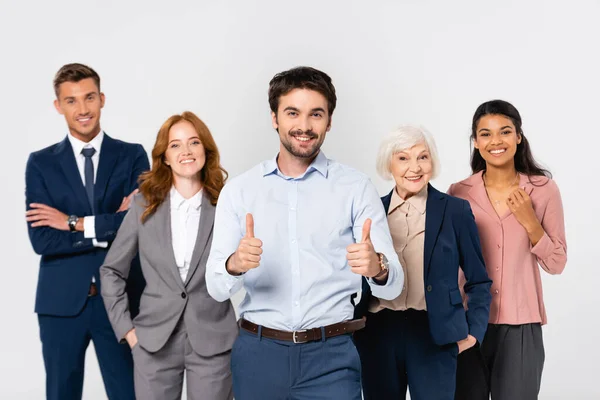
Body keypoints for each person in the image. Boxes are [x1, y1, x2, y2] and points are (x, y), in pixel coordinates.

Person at [206, 66, 403, 400]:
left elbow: (396, 282)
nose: (305, 126)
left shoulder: (355, 188)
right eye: (292, 113)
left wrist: (377, 266)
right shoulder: (240, 191)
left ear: (329, 121)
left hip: (332, 358)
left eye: (316, 114)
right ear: (274, 118)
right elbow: (215, 287)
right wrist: (234, 264)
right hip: (259, 356)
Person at [25, 63, 148, 400]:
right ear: (58, 106)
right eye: (71, 101)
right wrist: (111, 222)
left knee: (130, 393)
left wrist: (71, 222)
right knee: (61, 393)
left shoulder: (132, 155)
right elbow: (42, 240)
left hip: (122, 300)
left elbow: (138, 225)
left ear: (102, 99)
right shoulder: (41, 163)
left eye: (89, 97)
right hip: (61, 303)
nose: (82, 109)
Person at [100, 112, 238, 400]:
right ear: (164, 156)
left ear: (206, 150)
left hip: (213, 339)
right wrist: (127, 331)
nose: (185, 152)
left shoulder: (227, 203)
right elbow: (112, 270)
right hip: (153, 341)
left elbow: (248, 267)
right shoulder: (143, 205)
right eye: (175, 145)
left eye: (194, 142)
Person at [353, 125, 491, 400]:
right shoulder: (370, 211)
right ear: (388, 164)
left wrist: (474, 333)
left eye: (422, 157)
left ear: (432, 161)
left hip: (434, 332)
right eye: (403, 158)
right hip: (379, 331)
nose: (414, 167)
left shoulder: (455, 211)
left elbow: (479, 280)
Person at [449, 99, 567, 400]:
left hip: (521, 327)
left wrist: (531, 223)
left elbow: (557, 263)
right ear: (476, 142)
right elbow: (449, 261)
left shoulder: (542, 190)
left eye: (504, 131)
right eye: (485, 134)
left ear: (518, 136)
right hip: (467, 322)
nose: (495, 141)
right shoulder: (459, 193)